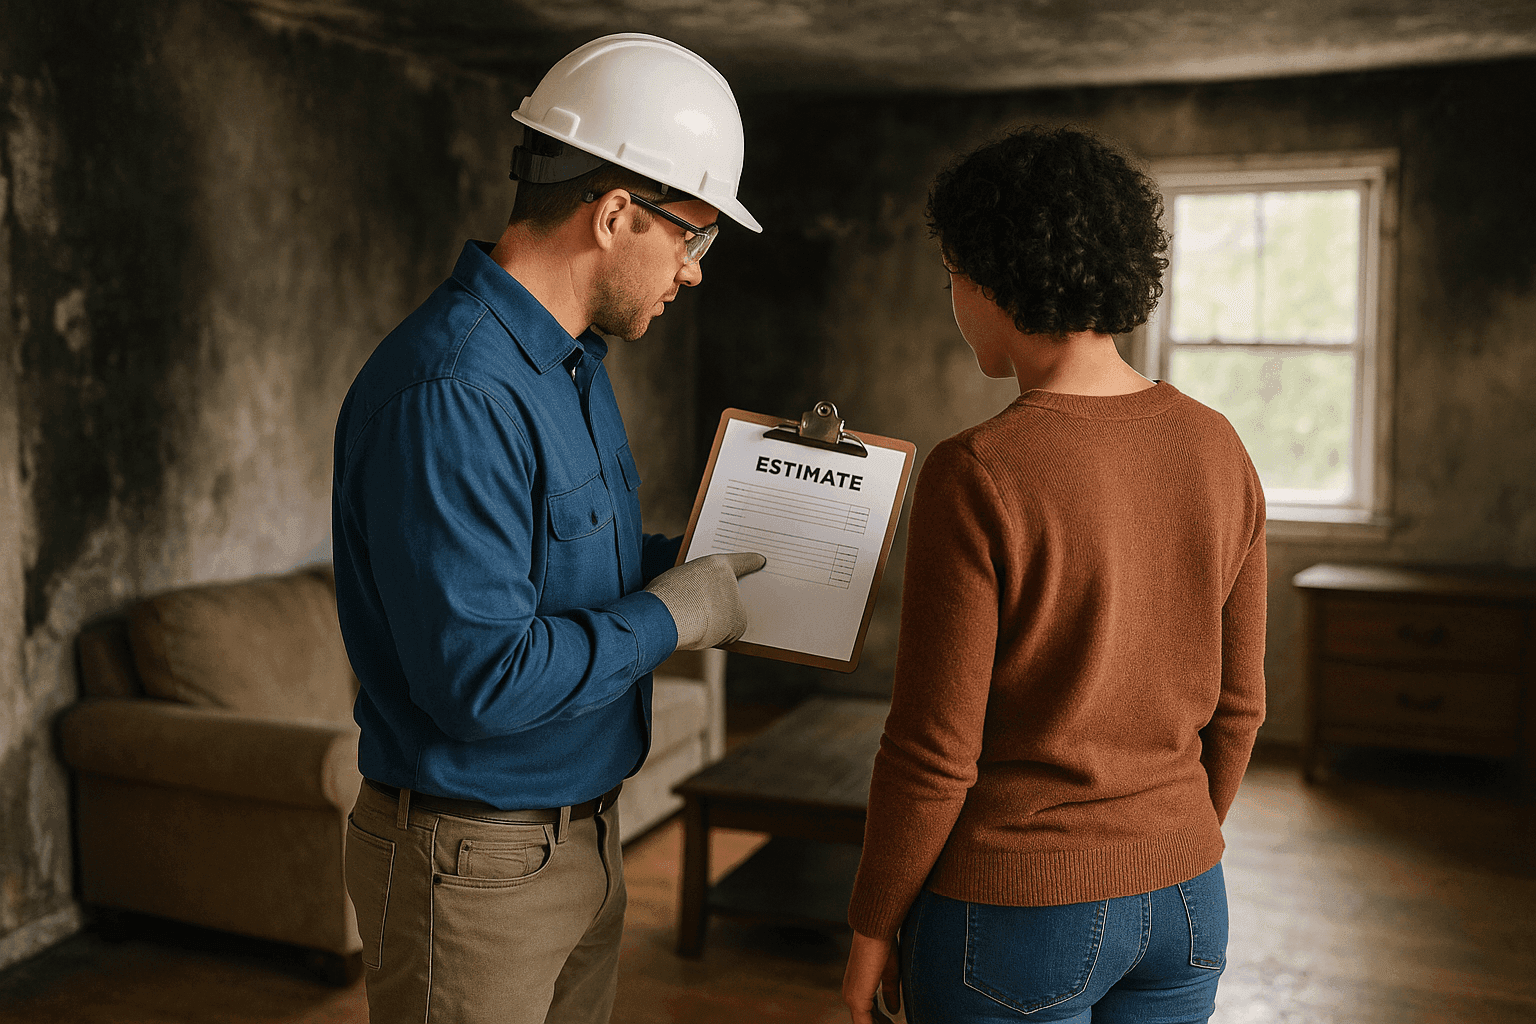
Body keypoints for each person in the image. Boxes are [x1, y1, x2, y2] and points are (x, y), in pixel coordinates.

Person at [332, 33, 765, 1024]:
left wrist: (693, 570)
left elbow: (565, 579)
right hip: (477, 866)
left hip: (581, 842)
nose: (695, 271)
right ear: (614, 213)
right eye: (692, 237)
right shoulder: (453, 391)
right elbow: (480, 679)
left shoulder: (567, 366)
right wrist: (671, 616)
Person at [842, 126, 1267, 1024]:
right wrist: (1172, 840)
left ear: (993, 278)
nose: (953, 297)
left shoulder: (979, 469)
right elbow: (1241, 706)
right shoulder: (1220, 445)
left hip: (1016, 911)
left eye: (953, 272)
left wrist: (872, 925)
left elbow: (933, 751)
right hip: (1190, 900)